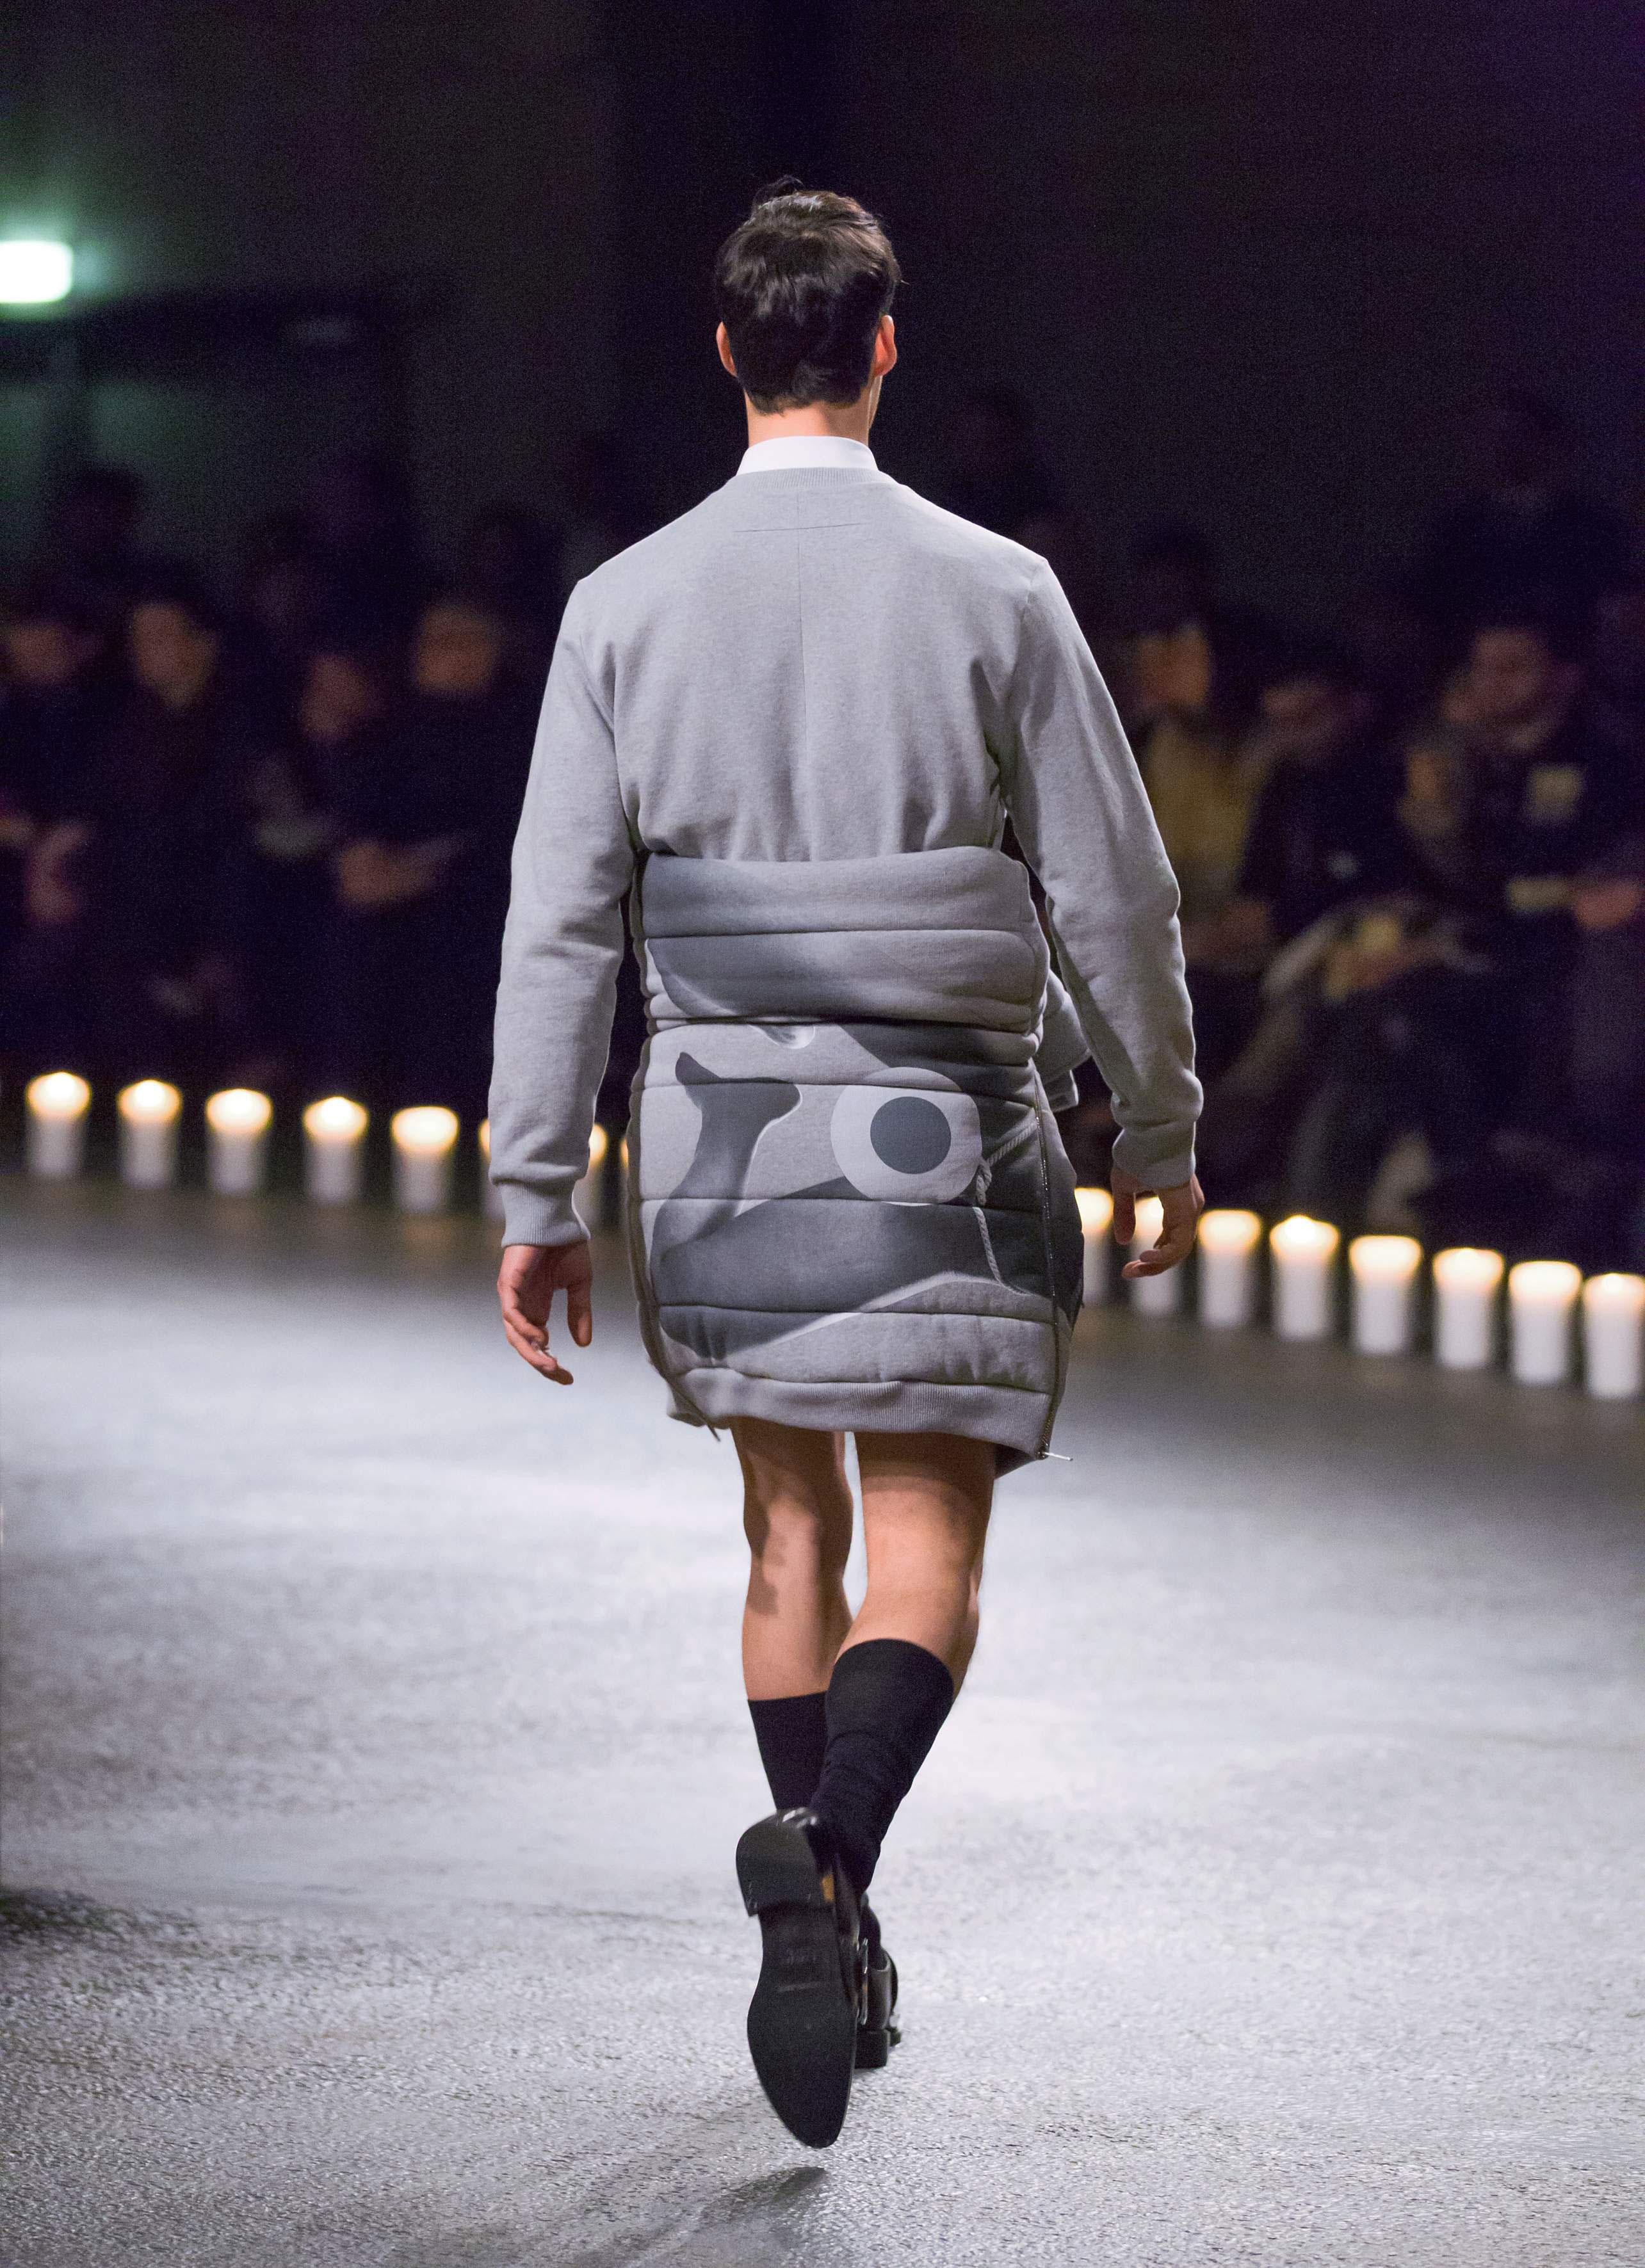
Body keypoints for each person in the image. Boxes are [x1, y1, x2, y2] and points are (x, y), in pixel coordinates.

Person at [486, 187, 1203, 2148]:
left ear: (726, 351)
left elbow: (560, 917)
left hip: (719, 1131)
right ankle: (829, 1864)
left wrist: (536, 1191)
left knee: (783, 1536)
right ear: (885, 345)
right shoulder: (997, 588)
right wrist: (1155, 1119)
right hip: (941, 1120)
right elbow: (1114, 889)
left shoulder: (623, 602)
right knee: (928, 1546)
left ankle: (828, 1903)